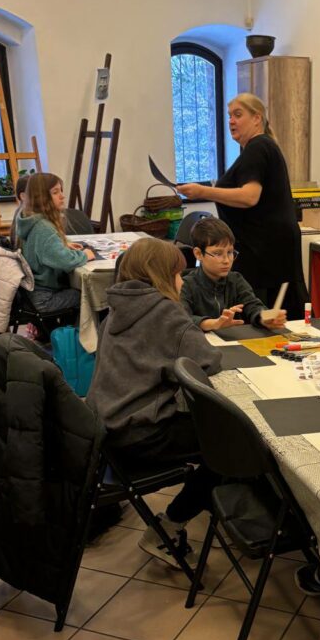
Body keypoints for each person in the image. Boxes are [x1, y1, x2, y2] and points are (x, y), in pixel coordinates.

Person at [86, 238, 223, 564]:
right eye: (178, 274)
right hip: (141, 434)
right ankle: (169, 527)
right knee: (231, 446)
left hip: (106, 430)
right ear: (161, 275)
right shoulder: (165, 312)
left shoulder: (116, 308)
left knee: (215, 434)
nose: (182, 282)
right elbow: (209, 361)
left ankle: (211, 510)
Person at [177, 93, 308, 320]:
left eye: (238, 115)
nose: (231, 121)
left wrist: (202, 192)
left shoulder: (258, 147)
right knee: (266, 311)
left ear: (257, 118)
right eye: (229, 116)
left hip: (264, 248)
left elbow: (249, 197)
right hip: (264, 244)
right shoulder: (256, 148)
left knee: (264, 311)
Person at [180, 217, 287, 332]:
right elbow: (181, 318)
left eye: (230, 252)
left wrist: (264, 318)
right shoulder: (186, 285)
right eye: (218, 253)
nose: (226, 260)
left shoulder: (236, 279)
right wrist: (214, 323)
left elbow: (253, 305)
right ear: (198, 254)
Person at [16, 172, 94, 314]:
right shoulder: (43, 228)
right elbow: (65, 261)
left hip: (31, 295)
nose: (62, 196)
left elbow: (42, 249)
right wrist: (85, 255)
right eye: (55, 192)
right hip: (44, 299)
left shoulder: (30, 220)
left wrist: (62, 245)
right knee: (90, 296)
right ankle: (77, 329)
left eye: (61, 191)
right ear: (42, 197)